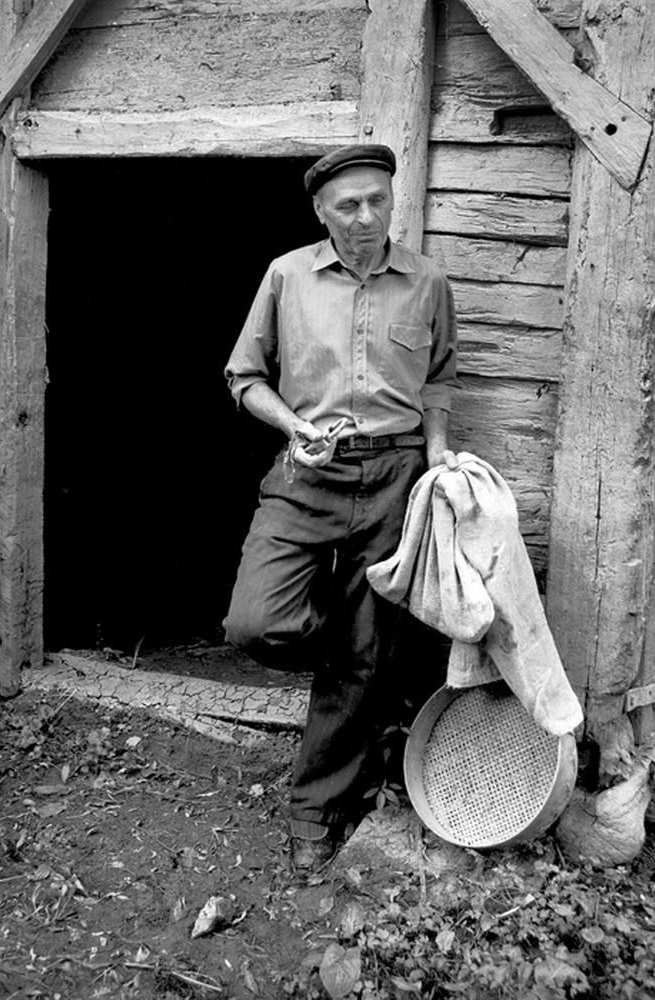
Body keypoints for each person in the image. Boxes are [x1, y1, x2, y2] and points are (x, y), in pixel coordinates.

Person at [223, 144, 458, 872]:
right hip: (307, 468)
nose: (365, 216)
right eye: (348, 204)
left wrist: (438, 452)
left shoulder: (427, 281)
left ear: (393, 200)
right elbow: (244, 376)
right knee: (257, 623)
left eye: (377, 200)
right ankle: (360, 663)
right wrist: (294, 426)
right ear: (321, 211)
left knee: (366, 650)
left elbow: (439, 379)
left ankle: (315, 809)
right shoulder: (286, 275)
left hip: (394, 474)